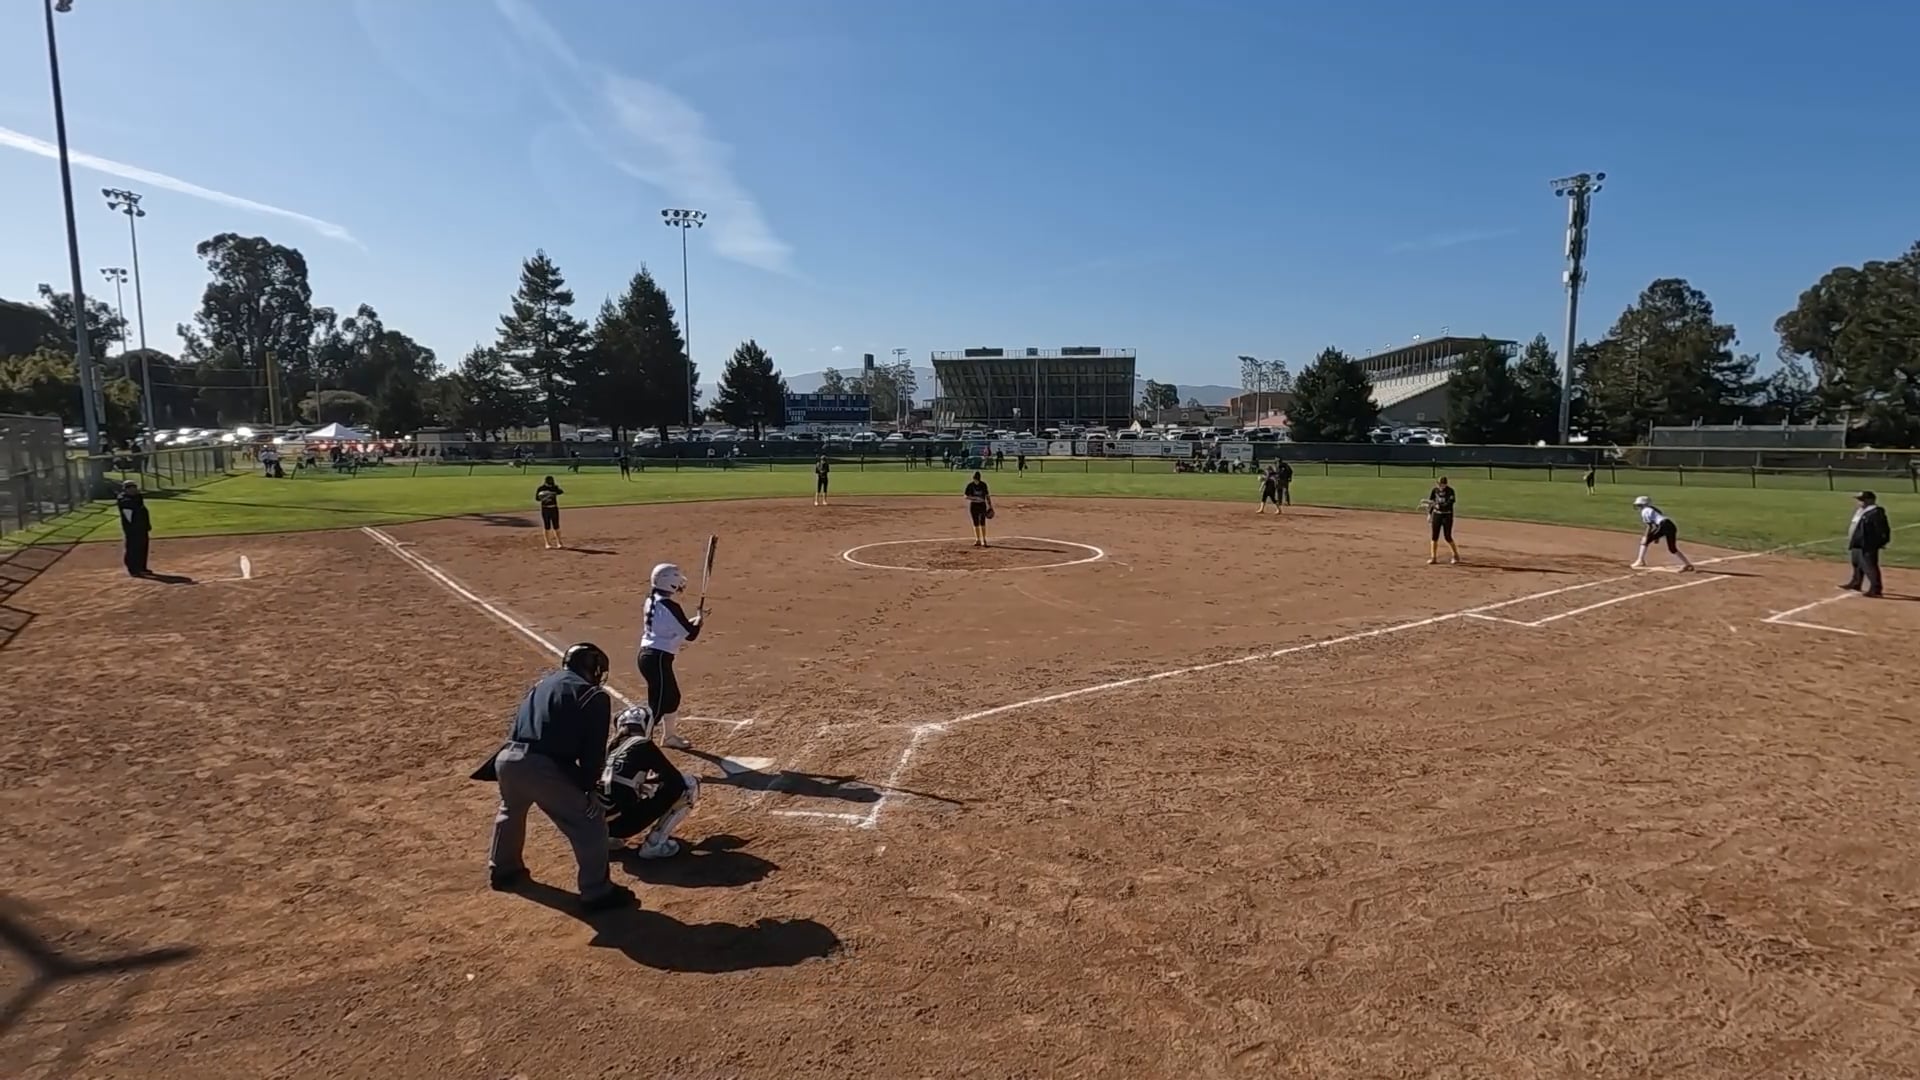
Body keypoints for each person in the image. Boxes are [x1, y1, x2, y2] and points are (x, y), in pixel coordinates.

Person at [478, 643, 634, 912]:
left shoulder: (541, 685)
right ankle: (597, 892)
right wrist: (589, 789)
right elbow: (593, 750)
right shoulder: (592, 695)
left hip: (507, 759)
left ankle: (503, 869)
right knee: (590, 822)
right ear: (593, 668)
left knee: (511, 811)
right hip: (542, 767)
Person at [599, 705, 700, 858]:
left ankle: (607, 840)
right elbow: (674, 780)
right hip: (621, 825)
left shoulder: (610, 747)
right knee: (688, 784)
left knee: (630, 785)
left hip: (594, 825)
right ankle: (655, 844)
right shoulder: (642, 744)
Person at [638, 562, 704, 750]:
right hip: (656, 658)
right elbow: (690, 635)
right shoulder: (670, 606)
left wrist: (693, 622)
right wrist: (698, 622)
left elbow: (670, 627)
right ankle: (640, 743)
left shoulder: (652, 599)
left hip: (651, 656)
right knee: (658, 704)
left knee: (672, 697)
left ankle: (669, 737)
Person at [1842, 490, 1892, 598]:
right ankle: (1856, 583)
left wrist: (1881, 541)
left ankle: (1876, 589)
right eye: (1859, 500)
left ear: (1870, 500)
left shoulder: (1876, 512)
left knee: (1869, 566)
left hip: (1868, 543)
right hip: (1857, 541)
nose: (1860, 502)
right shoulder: (1861, 511)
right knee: (1857, 564)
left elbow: (1883, 529)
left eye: (1862, 500)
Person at [1631, 495, 1694, 571]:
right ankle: (1688, 564)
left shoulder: (1645, 511)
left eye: (1639, 505)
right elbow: (1657, 523)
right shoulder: (1653, 509)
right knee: (1672, 548)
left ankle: (1640, 561)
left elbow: (1650, 526)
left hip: (1664, 525)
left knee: (1645, 541)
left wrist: (1646, 537)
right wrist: (1656, 537)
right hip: (1670, 525)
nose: (1638, 506)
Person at [115, 481, 151, 577]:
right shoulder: (124, 500)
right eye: (130, 488)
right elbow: (130, 514)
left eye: (134, 487)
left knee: (143, 547)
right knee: (133, 548)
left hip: (142, 527)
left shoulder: (137, 497)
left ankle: (142, 567)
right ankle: (133, 569)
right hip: (132, 529)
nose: (133, 489)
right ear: (125, 489)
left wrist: (146, 525)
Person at [1422, 477, 1460, 565]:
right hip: (1437, 515)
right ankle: (1433, 557)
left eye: (1442, 484)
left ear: (1445, 484)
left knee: (1447, 536)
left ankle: (1455, 555)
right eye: (1439, 484)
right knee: (1434, 536)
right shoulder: (1435, 490)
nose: (1440, 485)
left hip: (1447, 515)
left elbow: (1449, 504)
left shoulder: (1450, 491)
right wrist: (1429, 514)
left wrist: (1439, 506)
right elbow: (1432, 502)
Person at [965, 470, 994, 547]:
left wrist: (990, 505)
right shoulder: (970, 485)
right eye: (975, 479)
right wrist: (975, 498)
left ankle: (984, 539)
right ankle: (977, 539)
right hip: (973, 505)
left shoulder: (983, 485)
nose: (976, 481)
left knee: (982, 522)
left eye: (977, 479)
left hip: (982, 505)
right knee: (975, 522)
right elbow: (966, 496)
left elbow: (987, 495)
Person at [535, 475, 565, 550]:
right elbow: (537, 499)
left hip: (554, 508)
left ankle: (559, 542)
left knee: (556, 526)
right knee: (547, 526)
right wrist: (544, 496)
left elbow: (561, 492)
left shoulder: (554, 487)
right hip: (545, 509)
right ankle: (547, 543)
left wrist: (553, 491)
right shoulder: (541, 488)